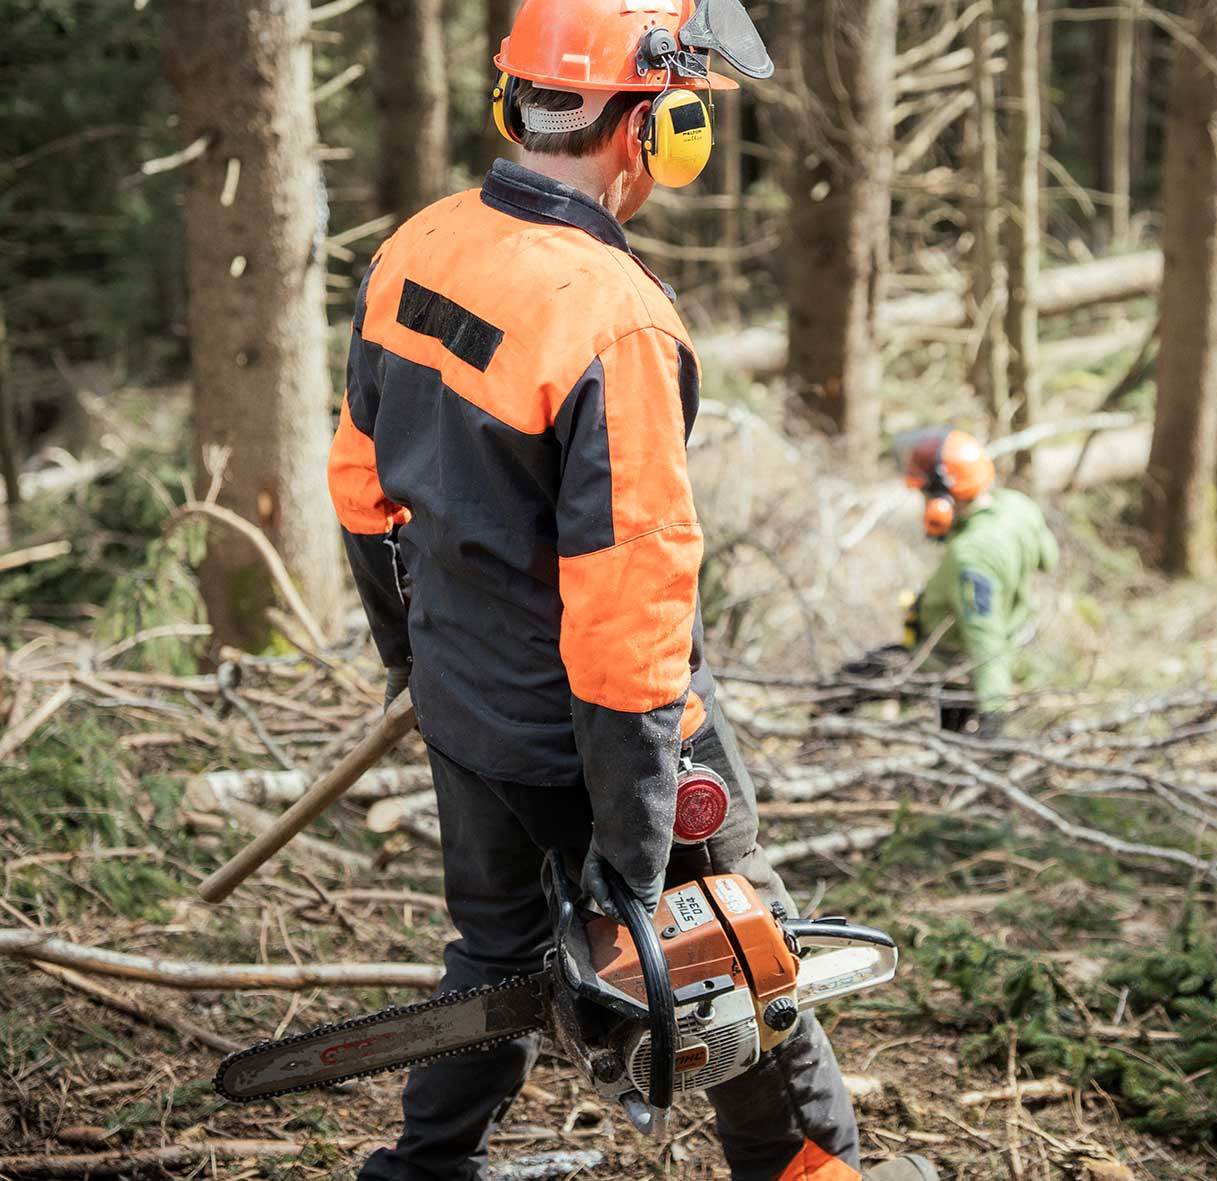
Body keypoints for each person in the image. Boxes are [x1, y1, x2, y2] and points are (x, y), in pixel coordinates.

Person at [326, 3, 932, 1179]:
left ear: (521, 105)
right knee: (734, 944)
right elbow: (629, 602)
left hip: (464, 695)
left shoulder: (419, 246)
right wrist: (637, 830)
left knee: (494, 956)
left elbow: (359, 488)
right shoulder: (617, 320)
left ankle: (422, 1167)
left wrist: (416, 661)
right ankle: (805, 1172)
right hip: (587, 722)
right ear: (653, 125)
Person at [895, 428, 1059, 734]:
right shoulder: (1017, 506)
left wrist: (993, 716)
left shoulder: (971, 556)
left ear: (942, 498)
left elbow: (985, 640)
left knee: (846, 688)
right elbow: (1049, 558)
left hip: (950, 664)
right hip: (1011, 635)